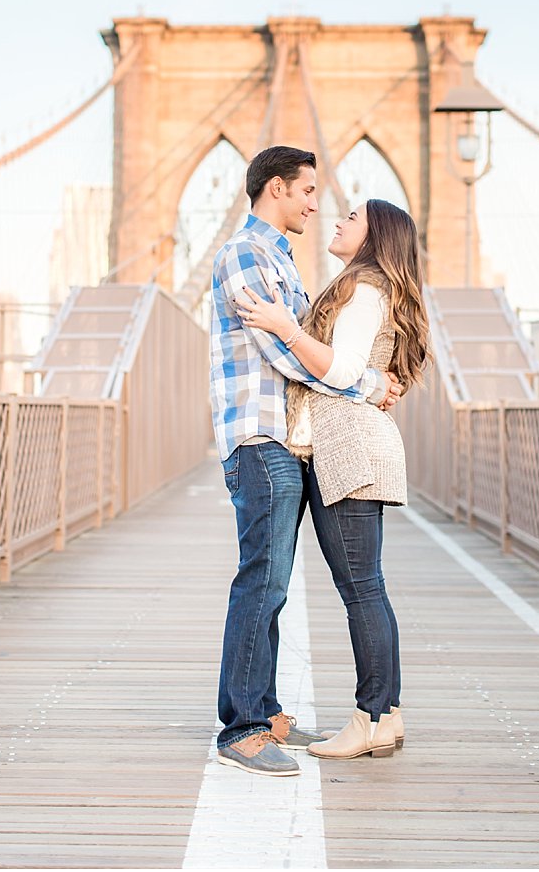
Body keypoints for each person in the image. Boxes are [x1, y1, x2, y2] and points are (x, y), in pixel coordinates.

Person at [209, 146, 397, 777]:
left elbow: (312, 347)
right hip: (259, 435)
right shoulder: (245, 255)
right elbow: (288, 354)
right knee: (262, 578)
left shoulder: (282, 260)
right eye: (309, 191)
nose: (318, 204)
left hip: (288, 440)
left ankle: (264, 708)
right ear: (278, 189)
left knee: (274, 580)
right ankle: (241, 729)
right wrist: (369, 384)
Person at [236, 198, 429, 761]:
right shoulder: (368, 286)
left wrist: (284, 327)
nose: (338, 221)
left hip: (347, 449)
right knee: (368, 586)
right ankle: (386, 717)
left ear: (374, 237)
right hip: (357, 446)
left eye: (351, 218)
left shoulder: (364, 290)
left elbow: (343, 369)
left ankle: (369, 717)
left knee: (361, 590)